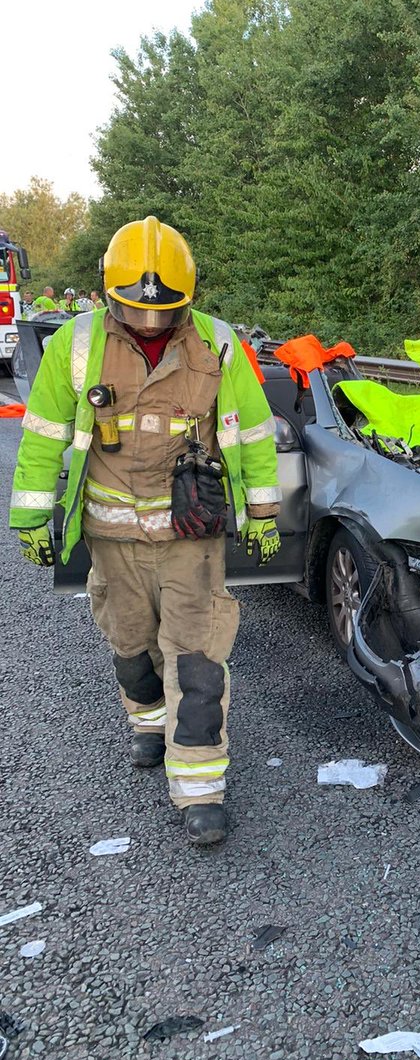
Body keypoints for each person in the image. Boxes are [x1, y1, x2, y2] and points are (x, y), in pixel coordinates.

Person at [9, 216, 282, 847]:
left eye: (167, 314)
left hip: (193, 538)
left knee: (197, 659)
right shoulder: (75, 347)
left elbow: (255, 434)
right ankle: (148, 723)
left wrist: (265, 516)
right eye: (138, 312)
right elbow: (44, 438)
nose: (153, 324)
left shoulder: (217, 345)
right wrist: (28, 516)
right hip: (113, 538)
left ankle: (199, 788)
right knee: (131, 645)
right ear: (109, 291)